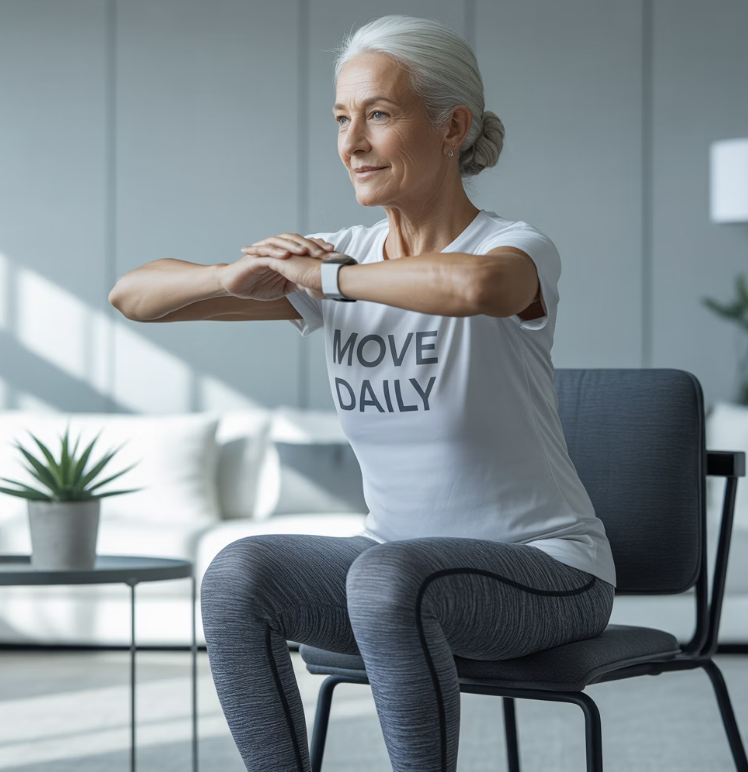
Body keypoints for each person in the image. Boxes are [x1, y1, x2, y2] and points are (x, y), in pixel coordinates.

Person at [109, 14, 616, 772]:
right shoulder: (340, 255)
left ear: (453, 128)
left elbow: (475, 287)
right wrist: (229, 279)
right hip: (397, 569)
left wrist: (327, 279)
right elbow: (132, 294)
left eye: (378, 115)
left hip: (548, 572)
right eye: (343, 119)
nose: (351, 144)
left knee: (388, 576)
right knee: (238, 574)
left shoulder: (511, 245)